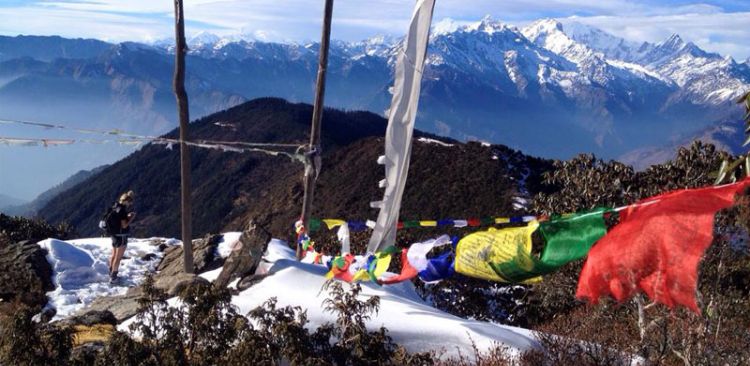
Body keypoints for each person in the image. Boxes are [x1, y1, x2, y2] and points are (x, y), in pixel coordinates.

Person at [108, 191, 136, 283]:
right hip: (121, 235)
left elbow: (118, 220)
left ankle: (111, 272)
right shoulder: (123, 210)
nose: (130, 205)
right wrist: (131, 218)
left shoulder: (115, 206)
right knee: (118, 257)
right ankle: (114, 277)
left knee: (113, 255)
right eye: (130, 203)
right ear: (127, 201)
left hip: (113, 234)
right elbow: (124, 225)